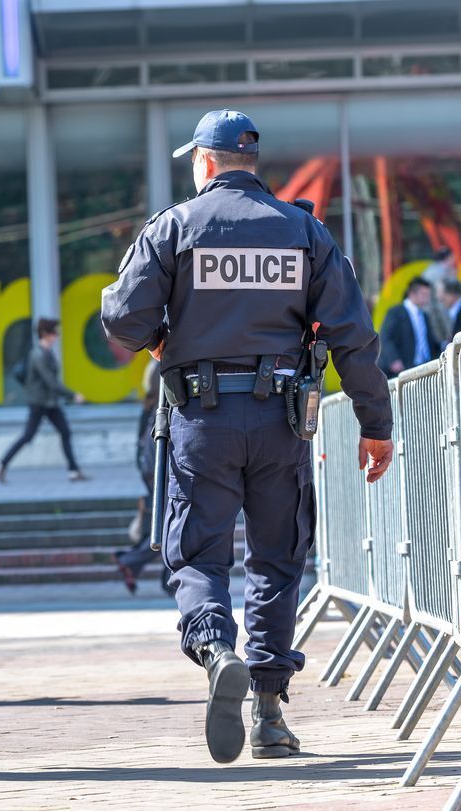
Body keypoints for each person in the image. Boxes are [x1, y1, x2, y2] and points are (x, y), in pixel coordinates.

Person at [101, 109, 394, 764]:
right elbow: (353, 333)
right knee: (277, 558)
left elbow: (122, 316)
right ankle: (267, 711)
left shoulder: (174, 228)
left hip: (200, 420)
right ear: (250, 163)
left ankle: (215, 648)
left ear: (204, 163)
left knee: (199, 555)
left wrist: (157, 339)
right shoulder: (304, 231)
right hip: (281, 420)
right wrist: (376, 423)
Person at [0, 317, 87, 483]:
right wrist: (72, 395)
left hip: (50, 403)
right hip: (39, 403)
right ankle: (0, 465)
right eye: (53, 332)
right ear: (44, 334)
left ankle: (73, 471)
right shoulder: (38, 355)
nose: (56, 336)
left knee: (65, 431)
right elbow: (50, 381)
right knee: (28, 436)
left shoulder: (48, 353)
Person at [114, 358, 171, 595]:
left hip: (152, 470)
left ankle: (137, 563)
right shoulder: (160, 408)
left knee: (168, 522)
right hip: (159, 470)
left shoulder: (149, 405)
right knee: (171, 524)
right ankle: (132, 560)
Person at [379, 276, 441, 377]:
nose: (427, 298)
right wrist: (393, 359)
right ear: (412, 294)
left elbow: (429, 342)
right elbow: (385, 337)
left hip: (423, 368)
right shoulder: (396, 312)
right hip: (402, 368)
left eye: (428, 294)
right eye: (424, 294)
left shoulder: (424, 316)